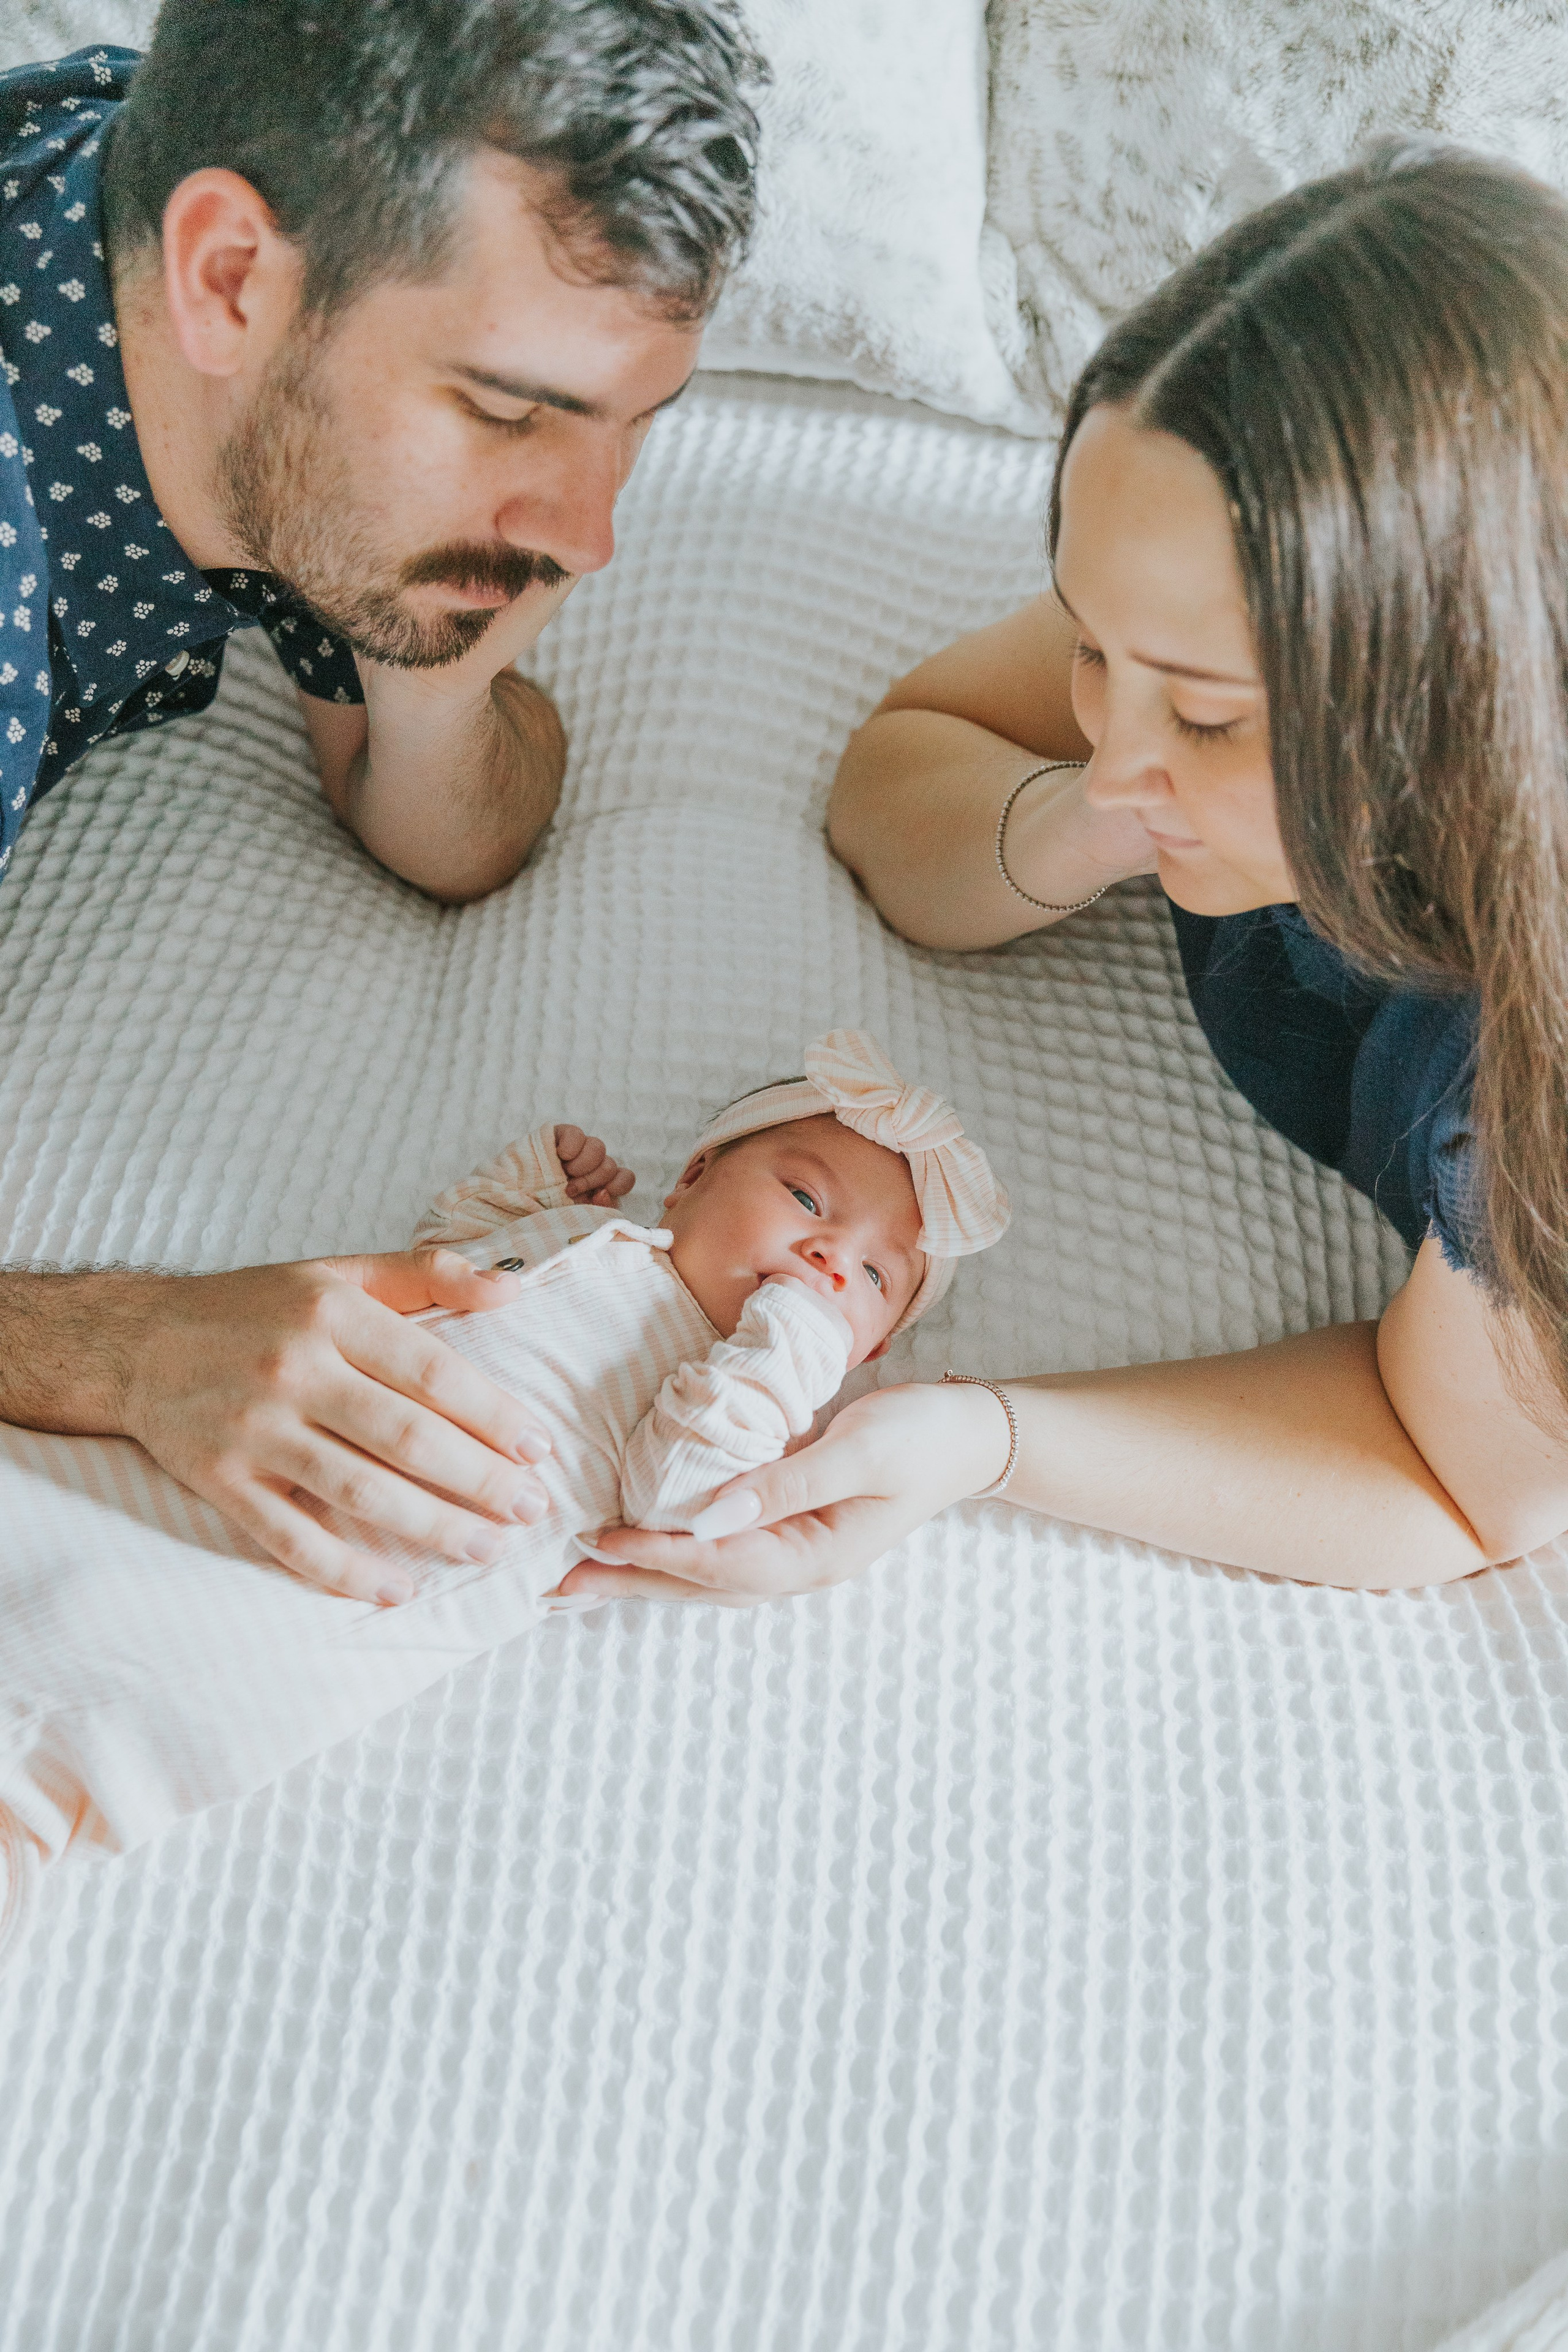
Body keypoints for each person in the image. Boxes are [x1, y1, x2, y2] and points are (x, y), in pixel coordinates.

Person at [565, 140, 1568, 1610]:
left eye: (1205, 717)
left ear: (1458, 722)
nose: (1114, 748)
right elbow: (902, 773)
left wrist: (978, 1440)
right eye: (1093, 652)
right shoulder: (1197, 593)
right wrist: (1079, 829)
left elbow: (1449, 1477)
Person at [0, 1, 763, 1599]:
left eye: (633, 427)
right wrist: (124, 1346)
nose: (590, 536)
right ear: (226, 281)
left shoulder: (169, 229)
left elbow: (441, 827)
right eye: (507, 410)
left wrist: (437, 667)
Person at [0, 1033, 1006, 1935]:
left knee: (77, 1734)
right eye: (806, 1200)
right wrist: (538, 1182)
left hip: (319, 1588)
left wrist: (790, 1346)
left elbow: (679, 1496)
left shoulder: (745, 1404)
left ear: (866, 1357)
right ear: (693, 1179)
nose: (829, 1259)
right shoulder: (587, 1236)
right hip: (233, 1434)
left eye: (874, 1279)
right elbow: (447, 1255)